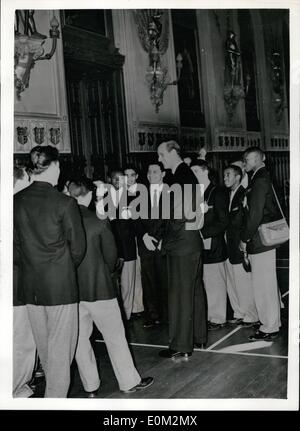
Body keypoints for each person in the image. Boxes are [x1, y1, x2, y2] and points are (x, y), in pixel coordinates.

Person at [14, 146, 86, 397]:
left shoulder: (16, 201)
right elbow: (78, 248)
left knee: (46, 351)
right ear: (54, 166)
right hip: (60, 288)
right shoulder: (65, 202)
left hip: (30, 288)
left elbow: (13, 249)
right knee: (61, 352)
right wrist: (61, 269)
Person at [74, 188, 153, 396]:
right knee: (115, 336)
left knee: (80, 341)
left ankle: (90, 387)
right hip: (100, 289)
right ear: (89, 195)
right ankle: (128, 381)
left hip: (73, 292)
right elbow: (111, 256)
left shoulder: (61, 221)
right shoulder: (98, 220)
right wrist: (105, 272)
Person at [157, 141, 206, 359]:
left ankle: (181, 346)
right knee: (193, 291)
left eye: (161, 155)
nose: (160, 159)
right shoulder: (185, 175)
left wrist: (163, 242)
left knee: (180, 294)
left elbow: (179, 215)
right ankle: (198, 337)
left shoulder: (180, 177)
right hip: (190, 242)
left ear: (174, 152)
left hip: (180, 243)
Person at [239, 147, 282, 341]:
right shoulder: (261, 177)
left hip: (260, 239)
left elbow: (255, 214)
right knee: (266, 284)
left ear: (258, 159)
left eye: (247, 160)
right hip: (263, 240)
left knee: (263, 285)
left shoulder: (259, 179)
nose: (245, 163)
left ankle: (269, 326)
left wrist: (244, 239)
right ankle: (272, 323)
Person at [191, 159, 229, 330]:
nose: (193, 175)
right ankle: (208, 315)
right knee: (205, 283)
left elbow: (223, 222)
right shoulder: (195, 193)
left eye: (196, 172)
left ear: (205, 171)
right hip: (197, 246)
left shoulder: (217, 192)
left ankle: (218, 318)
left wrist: (201, 233)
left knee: (215, 283)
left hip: (213, 245)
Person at [223, 165, 259, 326]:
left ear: (238, 177)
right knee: (233, 283)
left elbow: (242, 221)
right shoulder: (227, 195)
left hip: (239, 246)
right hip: (228, 247)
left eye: (228, 175)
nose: (225, 178)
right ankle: (239, 312)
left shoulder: (244, 194)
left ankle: (251, 315)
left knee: (243, 283)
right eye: (224, 175)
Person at [135, 162, 168, 327]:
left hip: (164, 244)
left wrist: (165, 239)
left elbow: (173, 220)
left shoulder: (171, 193)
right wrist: (143, 236)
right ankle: (153, 315)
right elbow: (135, 219)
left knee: (165, 280)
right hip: (146, 244)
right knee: (148, 281)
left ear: (163, 174)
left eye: (155, 172)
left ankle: (167, 315)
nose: (151, 175)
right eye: (149, 172)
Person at [13, 166, 36, 398]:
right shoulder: (18, 209)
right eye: (28, 179)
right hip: (17, 288)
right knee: (21, 340)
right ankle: (18, 388)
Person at [124, 165, 144, 318]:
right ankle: (135, 307)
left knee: (141, 272)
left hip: (142, 237)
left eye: (132, 175)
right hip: (130, 238)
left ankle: (139, 305)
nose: (129, 178)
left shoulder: (143, 192)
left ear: (136, 176)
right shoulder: (121, 194)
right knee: (133, 274)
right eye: (126, 175)